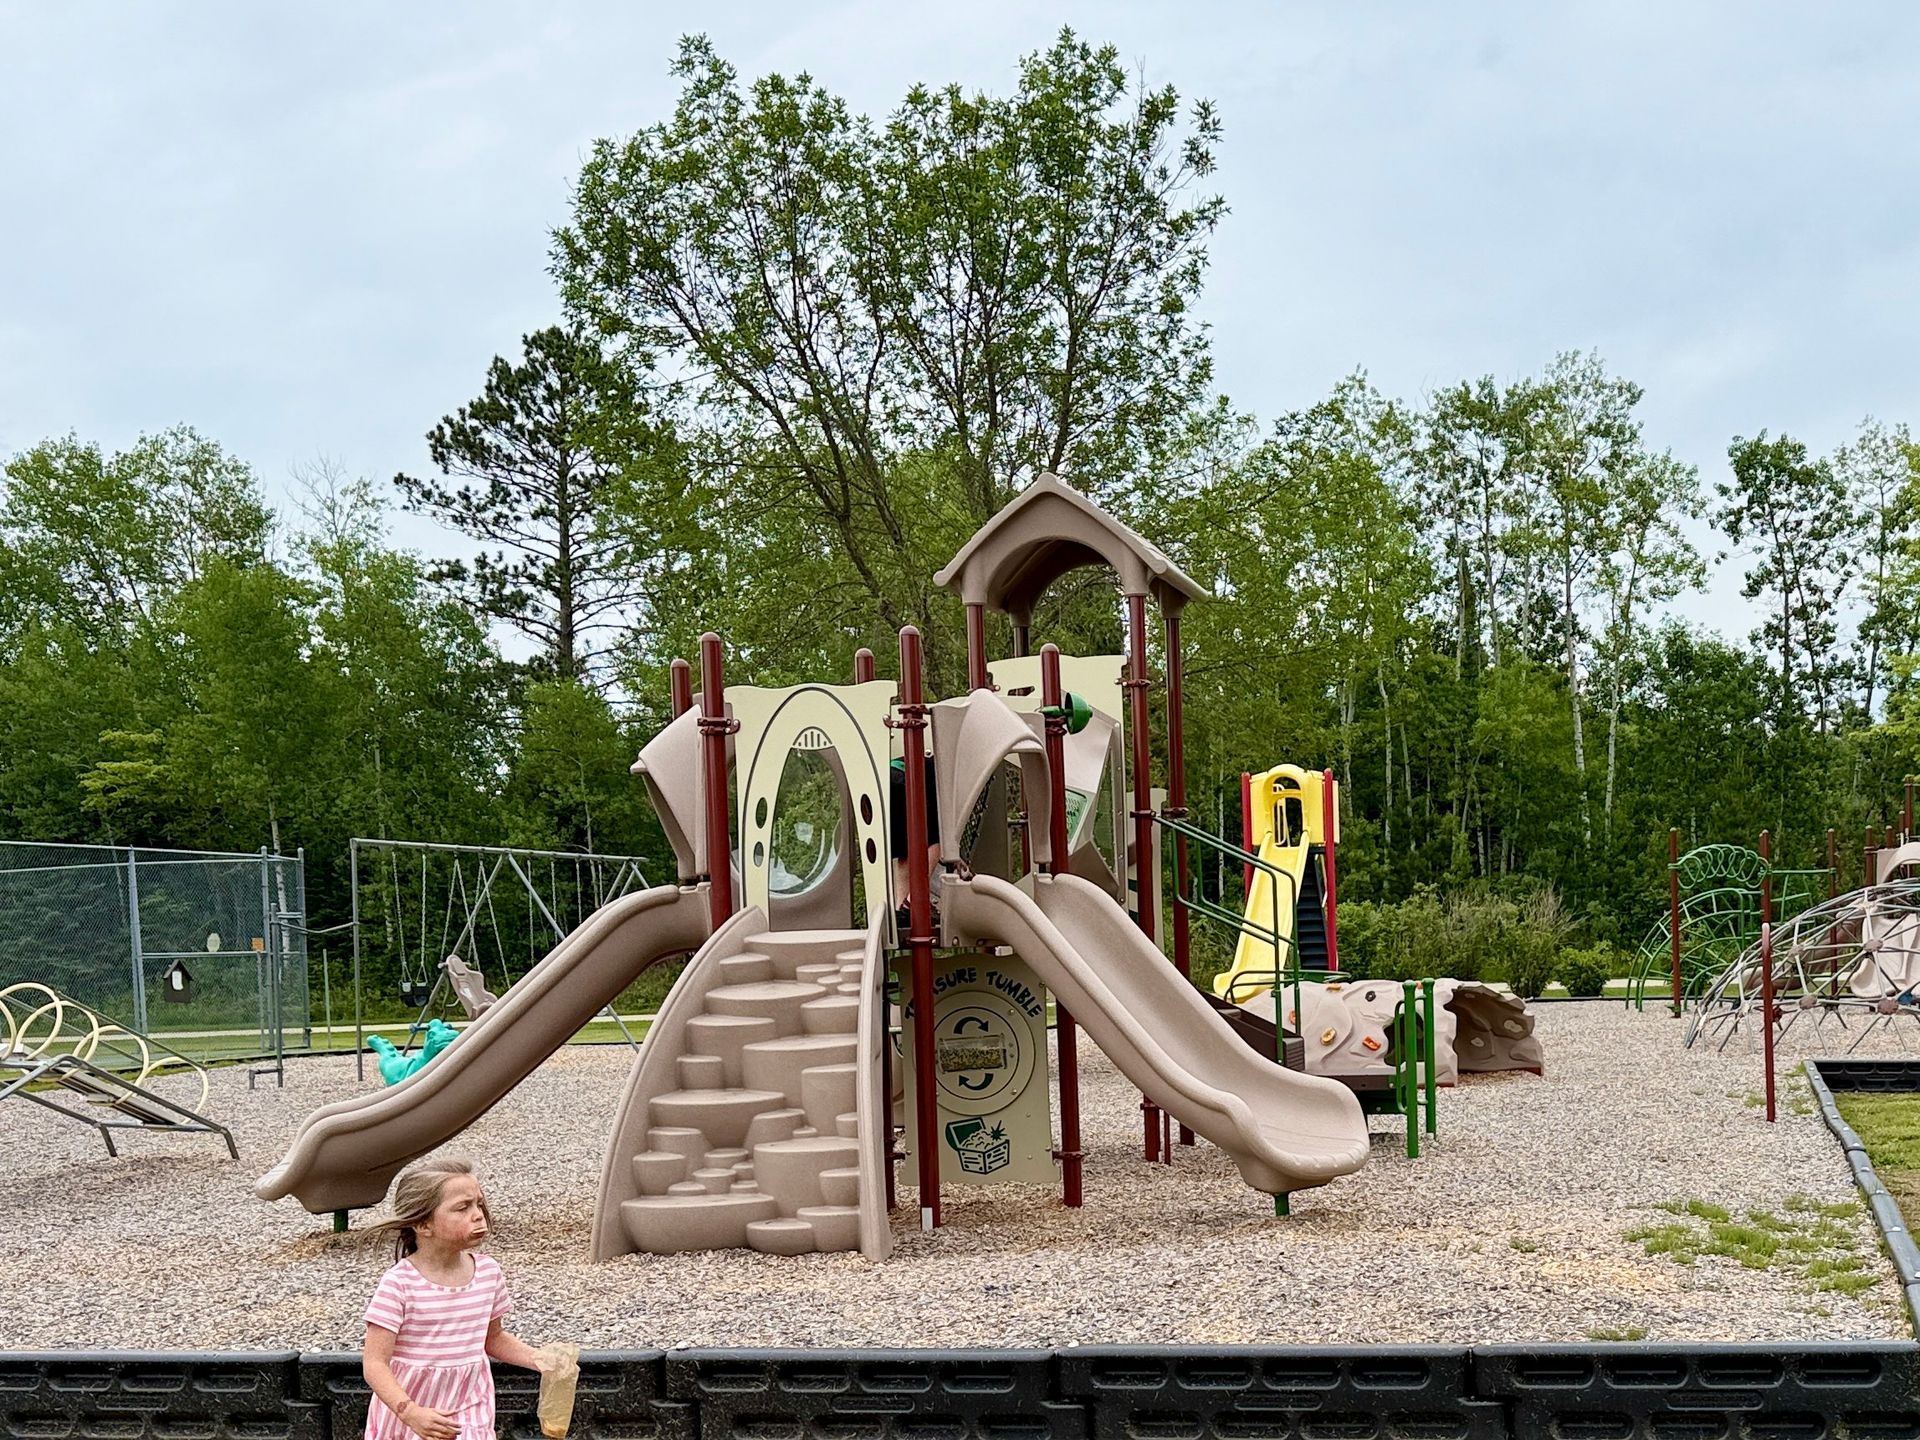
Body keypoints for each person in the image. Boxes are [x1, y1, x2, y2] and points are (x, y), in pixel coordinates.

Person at [361, 1158, 550, 1440]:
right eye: (463, 1208)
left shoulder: (488, 1273)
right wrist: (410, 1412)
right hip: (413, 1413)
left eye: (479, 1205)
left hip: (469, 1407)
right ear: (423, 1224)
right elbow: (374, 1363)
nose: (478, 1215)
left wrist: (542, 1360)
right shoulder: (399, 1284)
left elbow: (492, 1338)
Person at [888, 752, 942, 928]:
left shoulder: (931, 762)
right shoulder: (943, 773)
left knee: (905, 849)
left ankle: (901, 908)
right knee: (936, 839)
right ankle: (913, 902)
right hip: (904, 780)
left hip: (886, 780)